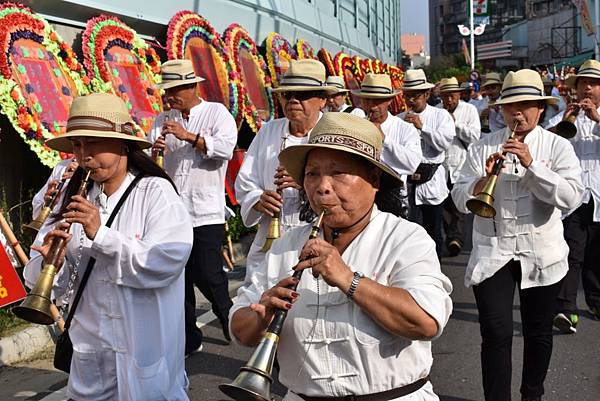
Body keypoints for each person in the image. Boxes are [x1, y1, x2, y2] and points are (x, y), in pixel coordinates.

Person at [230, 112, 453, 401]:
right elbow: (239, 329)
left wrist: (347, 278)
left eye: (338, 173)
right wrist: (262, 315)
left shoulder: (406, 238)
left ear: (374, 180)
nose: (322, 186)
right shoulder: (285, 246)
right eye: (312, 174)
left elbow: (425, 322)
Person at [24, 93, 193, 400]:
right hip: (90, 363)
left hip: (144, 356)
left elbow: (168, 259)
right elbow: (41, 282)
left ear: (123, 143)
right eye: (78, 145)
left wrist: (100, 235)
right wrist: (51, 263)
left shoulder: (155, 191)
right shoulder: (70, 195)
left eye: (94, 143)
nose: (84, 155)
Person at [452, 69, 583, 401]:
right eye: (511, 106)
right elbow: (459, 197)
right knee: (495, 332)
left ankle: (532, 394)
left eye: (526, 105)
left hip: (541, 250)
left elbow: (571, 197)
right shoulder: (483, 147)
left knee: (538, 332)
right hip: (493, 250)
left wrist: (532, 165)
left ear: (541, 109)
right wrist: (481, 183)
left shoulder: (557, 146)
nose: (518, 113)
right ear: (501, 110)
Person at [148, 59, 237, 352]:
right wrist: (153, 152)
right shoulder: (161, 120)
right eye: (167, 91)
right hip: (171, 213)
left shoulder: (216, 112)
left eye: (175, 90)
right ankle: (188, 336)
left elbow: (224, 149)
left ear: (192, 86)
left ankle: (229, 318)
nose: (170, 96)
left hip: (205, 210)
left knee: (209, 272)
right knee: (178, 277)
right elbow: (152, 166)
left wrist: (188, 136)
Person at [235, 59, 337, 285]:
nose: (292, 100)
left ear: (322, 100)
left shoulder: (333, 132)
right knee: (260, 297)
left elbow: (346, 186)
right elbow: (245, 180)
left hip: (318, 236)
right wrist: (258, 199)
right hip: (271, 234)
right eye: (287, 94)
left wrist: (305, 184)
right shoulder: (269, 131)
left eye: (301, 95)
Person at [546, 59, 600, 331]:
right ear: (575, 88)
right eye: (583, 83)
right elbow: (542, 141)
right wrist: (566, 122)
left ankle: (596, 299)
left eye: (594, 83)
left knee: (596, 255)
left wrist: (597, 118)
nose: (588, 88)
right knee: (572, 252)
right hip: (575, 198)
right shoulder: (565, 115)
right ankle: (566, 309)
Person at [399, 69, 455, 258]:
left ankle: (436, 268)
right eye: (407, 96)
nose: (411, 100)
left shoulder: (441, 116)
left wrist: (422, 127)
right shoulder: (400, 118)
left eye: (415, 96)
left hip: (432, 181)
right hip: (409, 182)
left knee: (433, 230)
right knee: (411, 230)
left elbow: (443, 144)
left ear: (426, 94)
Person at [438, 77, 481, 256]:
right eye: (445, 96)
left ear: (459, 95)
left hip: (462, 164)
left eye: (452, 96)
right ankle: (451, 236)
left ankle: (457, 238)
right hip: (442, 166)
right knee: (445, 204)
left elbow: (475, 135)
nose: (449, 100)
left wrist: (454, 123)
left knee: (459, 204)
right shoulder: (437, 111)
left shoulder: (469, 110)